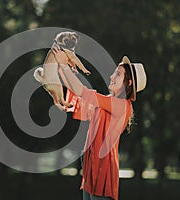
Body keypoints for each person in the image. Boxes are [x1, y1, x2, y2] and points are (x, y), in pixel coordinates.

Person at [52, 49, 147, 200]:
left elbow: (84, 92)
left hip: (103, 171)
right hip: (92, 169)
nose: (111, 76)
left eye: (118, 74)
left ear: (128, 83)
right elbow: (79, 99)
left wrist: (64, 66)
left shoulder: (122, 106)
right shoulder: (107, 103)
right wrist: (62, 68)